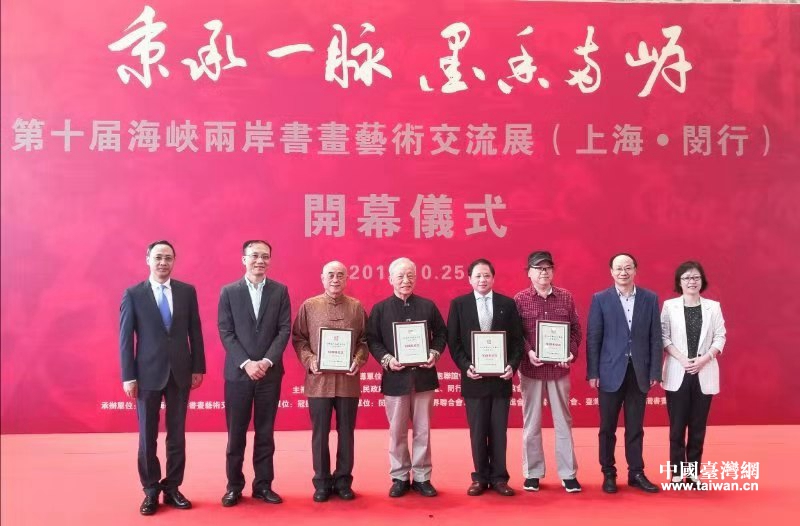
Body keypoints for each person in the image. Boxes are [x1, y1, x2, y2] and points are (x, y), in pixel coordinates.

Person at [120, 240, 206, 515]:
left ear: (174, 261)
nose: (163, 263)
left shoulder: (186, 291)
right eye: (158, 257)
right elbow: (126, 339)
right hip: (146, 375)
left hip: (180, 372)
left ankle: (173, 488)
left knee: (177, 434)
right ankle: (150, 490)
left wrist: (198, 367)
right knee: (148, 436)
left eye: (168, 258)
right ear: (147, 259)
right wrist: (128, 376)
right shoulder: (133, 294)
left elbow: (195, 331)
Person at [366, 257, 447, 498]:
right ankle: (400, 476)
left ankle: (422, 476)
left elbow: (441, 334)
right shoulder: (380, 309)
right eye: (400, 276)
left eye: (410, 275)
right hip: (395, 379)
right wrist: (387, 359)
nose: (405, 280)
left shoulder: (428, 306)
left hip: (423, 378)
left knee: (423, 430)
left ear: (416, 278)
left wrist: (434, 353)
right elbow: (372, 340)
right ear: (390, 279)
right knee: (397, 431)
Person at [218, 240, 291, 507]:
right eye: (255, 256)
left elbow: (284, 329)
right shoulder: (229, 291)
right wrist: (247, 363)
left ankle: (263, 485)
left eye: (265, 256)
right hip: (238, 375)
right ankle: (234, 487)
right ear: (244, 259)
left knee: (265, 432)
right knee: (236, 434)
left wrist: (267, 361)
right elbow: (226, 331)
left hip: (269, 375)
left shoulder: (280, 291)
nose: (260, 260)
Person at [292, 261, 369, 502]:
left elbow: (365, 340)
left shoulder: (356, 307)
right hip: (319, 382)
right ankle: (322, 482)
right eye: (331, 275)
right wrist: (310, 359)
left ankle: (344, 481)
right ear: (322, 278)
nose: (335, 279)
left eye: (340, 275)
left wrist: (358, 359)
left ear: (347, 279)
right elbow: (299, 338)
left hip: (348, 382)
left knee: (346, 433)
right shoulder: (309, 306)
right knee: (320, 434)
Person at [448, 258, 524, 496]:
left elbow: (517, 341)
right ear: (469, 279)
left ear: (493, 278)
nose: (482, 280)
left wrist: (512, 366)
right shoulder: (459, 305)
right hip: (474, 379)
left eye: (486, 275)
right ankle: (480, 478)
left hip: (501, 380)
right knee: (478, 431)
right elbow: (454, 342)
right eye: (478, 276)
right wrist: (466, 366)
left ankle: (500, 478)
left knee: (499, 431)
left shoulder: (507, 304)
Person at [587, 253, 662, 494]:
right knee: (607, 427)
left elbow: (655, 337)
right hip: (609, 371)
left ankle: (636, 473)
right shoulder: (600, 299)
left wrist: (655, 370)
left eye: (628, 268)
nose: (623, 272)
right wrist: (593, 371)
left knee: (635, 427)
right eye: (618, 268)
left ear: (635, 270)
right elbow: (593, 338)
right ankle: (608, 472)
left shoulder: (650, 298)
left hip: (639, 372)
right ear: (611, 271)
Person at [514, 251, 583, 493]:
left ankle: (568, 473)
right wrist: (528, 352)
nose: (543, 272)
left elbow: (576, 330)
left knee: (563, 422)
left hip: (559, 371)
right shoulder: (520, 299)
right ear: (529, 272)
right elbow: (516, 334)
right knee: (531, 423)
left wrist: (570, 353)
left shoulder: (566, 297)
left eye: (547, 268)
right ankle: (532, 473)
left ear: (553, 271)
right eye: (538, 268)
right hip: (530, 370)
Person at [661, 261, 726, 486]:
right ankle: (678, 473)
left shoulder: (713, 307)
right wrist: (682, 359)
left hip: (704, 370)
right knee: (677, 427)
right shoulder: (669, 306)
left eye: (696, 277)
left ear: (702, 281)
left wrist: (704, 359)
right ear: (679, 282)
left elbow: (720, 337)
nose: (692, 281)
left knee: (698, 427)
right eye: (687, 278)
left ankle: (693, 473)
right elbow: (663, 336)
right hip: (678, 370)